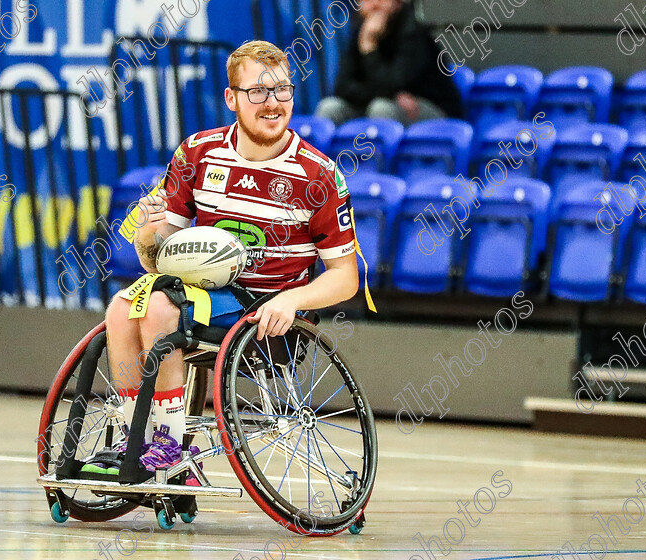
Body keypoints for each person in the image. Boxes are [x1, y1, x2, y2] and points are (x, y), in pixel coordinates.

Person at [80, 40, 360, 480]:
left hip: (267, 316)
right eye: (257, 92)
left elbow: (346, 279)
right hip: (206, 291)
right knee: (121, 307)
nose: (272, 103)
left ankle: (169, 451)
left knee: (156, 309)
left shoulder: (319, 175)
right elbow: (157, 258)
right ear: (231, 98)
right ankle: (135, 439)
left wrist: (291, 301)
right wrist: (148, 231)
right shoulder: (196, 152)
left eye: (282, 90)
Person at [316, 0, 463, 126]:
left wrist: (370, 48)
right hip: (381, 102)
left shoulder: (413, 32)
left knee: (381, 108)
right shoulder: (360, 33)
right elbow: (342, 87)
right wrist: (386, 94)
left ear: (397, 3)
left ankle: (378, 160)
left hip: (431, 108)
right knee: (329, 107)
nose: (374, 5)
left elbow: (394, 82)